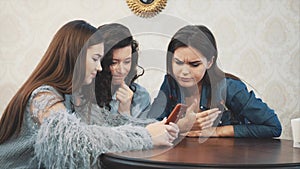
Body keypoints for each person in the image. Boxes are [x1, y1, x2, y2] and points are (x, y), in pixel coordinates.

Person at [0, 20, 179, 169]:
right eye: (95, 59)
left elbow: (108, 125)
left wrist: (158, 127)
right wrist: (146, 136)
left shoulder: (77, 95)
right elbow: (74, 141)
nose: (100, 68)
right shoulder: (43, 97)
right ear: (75, 57)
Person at [147, 25, 282, 138]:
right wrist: (182, 126)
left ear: (210, 62)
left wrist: (218, 131)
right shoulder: (170, 83)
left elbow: (273, 127)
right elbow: (149, 125)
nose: (184, 72)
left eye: (194, 64)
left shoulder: (229, 88)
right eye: (178, 62)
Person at [95, 23, 151, 118]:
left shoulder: (141, 97)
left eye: (127, 62)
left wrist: (125, 112)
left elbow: (143, 132)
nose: (121, 70)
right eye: (113, 62)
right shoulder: (85, 93)